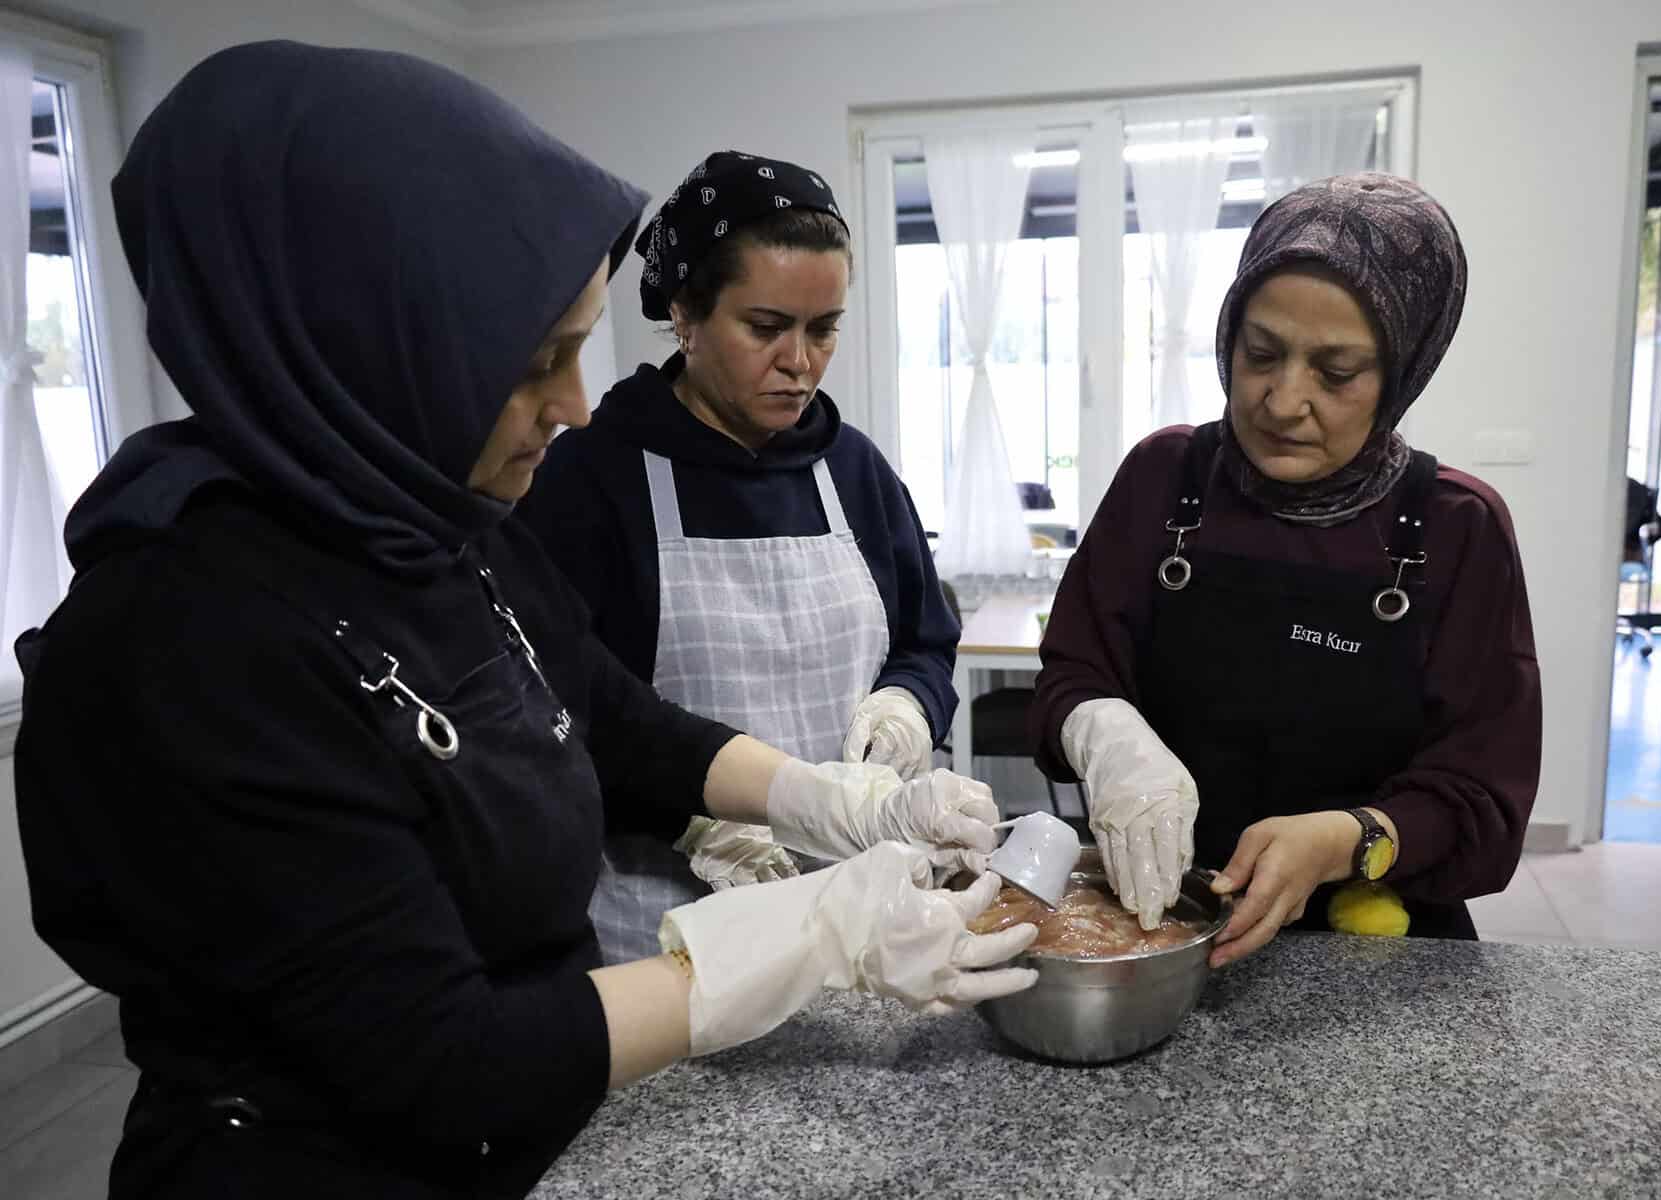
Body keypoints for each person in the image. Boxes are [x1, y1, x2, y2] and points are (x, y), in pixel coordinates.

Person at [14, 42, 1035, 1198]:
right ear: (366, 336)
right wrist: (810, 937)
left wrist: (832, 798)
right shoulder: (185, 641)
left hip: (544, 1119)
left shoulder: (436, 516)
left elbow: (609, 712)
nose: (576, 406)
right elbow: (443, 1060)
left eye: (578, 349)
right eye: (538, 361)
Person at [1028, 173, 1542, 966]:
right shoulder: (1165, 479)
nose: (1281, 400)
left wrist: (1350, 839)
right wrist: (1104, 731)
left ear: (1403, 370)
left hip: (1375, 953)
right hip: (1166, 924)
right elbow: (1071, 675)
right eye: (1260, 353)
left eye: (1336, 373)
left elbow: (1485, 807)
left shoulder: (1455, 527)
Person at [516, 152, 961, 960]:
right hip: (670, 929)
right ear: (685, 314)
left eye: (823, 329)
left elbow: (926, 642)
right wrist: (694, 819)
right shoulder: (590, 478)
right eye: (765, 327)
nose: (801, 362)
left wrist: (908, 708)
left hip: (859, 906)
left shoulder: (854, 471)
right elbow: (560, 711)